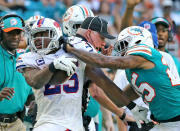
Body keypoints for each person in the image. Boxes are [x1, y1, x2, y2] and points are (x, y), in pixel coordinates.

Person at [17, 17, 149, 130]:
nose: (103, 43)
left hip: (71, 124)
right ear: (90, 34)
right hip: (49, 122)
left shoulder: (77, 48)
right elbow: (35, 81)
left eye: (43, 34)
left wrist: (130, 106)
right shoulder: (30, 56)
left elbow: (102, 82)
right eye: (37, 35)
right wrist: (53, 66)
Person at [64, 25, 180, 131]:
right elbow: (119, 99)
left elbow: (102, 61)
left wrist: (71, 49)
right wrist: (133, 107)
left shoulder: (145, 53)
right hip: (166, 122)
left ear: (138, 40)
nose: (121, 49)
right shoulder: (135, 70)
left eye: (124, 44)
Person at [62, 5, 116, 131]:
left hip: (89, 117)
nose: (84, 30)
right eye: (80, 26)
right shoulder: (60, 49)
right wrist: (121, 113)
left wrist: (107, 117)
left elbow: (99, 88)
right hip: (67, 118)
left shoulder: (92, 52)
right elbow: (96, 91)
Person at [0, 14, 34, 131]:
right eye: (10, 33)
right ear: (1, 34)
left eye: (18, 33)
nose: (15, 37)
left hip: (16, 123)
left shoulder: (24, 59)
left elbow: (29, 94)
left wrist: (34, 102)